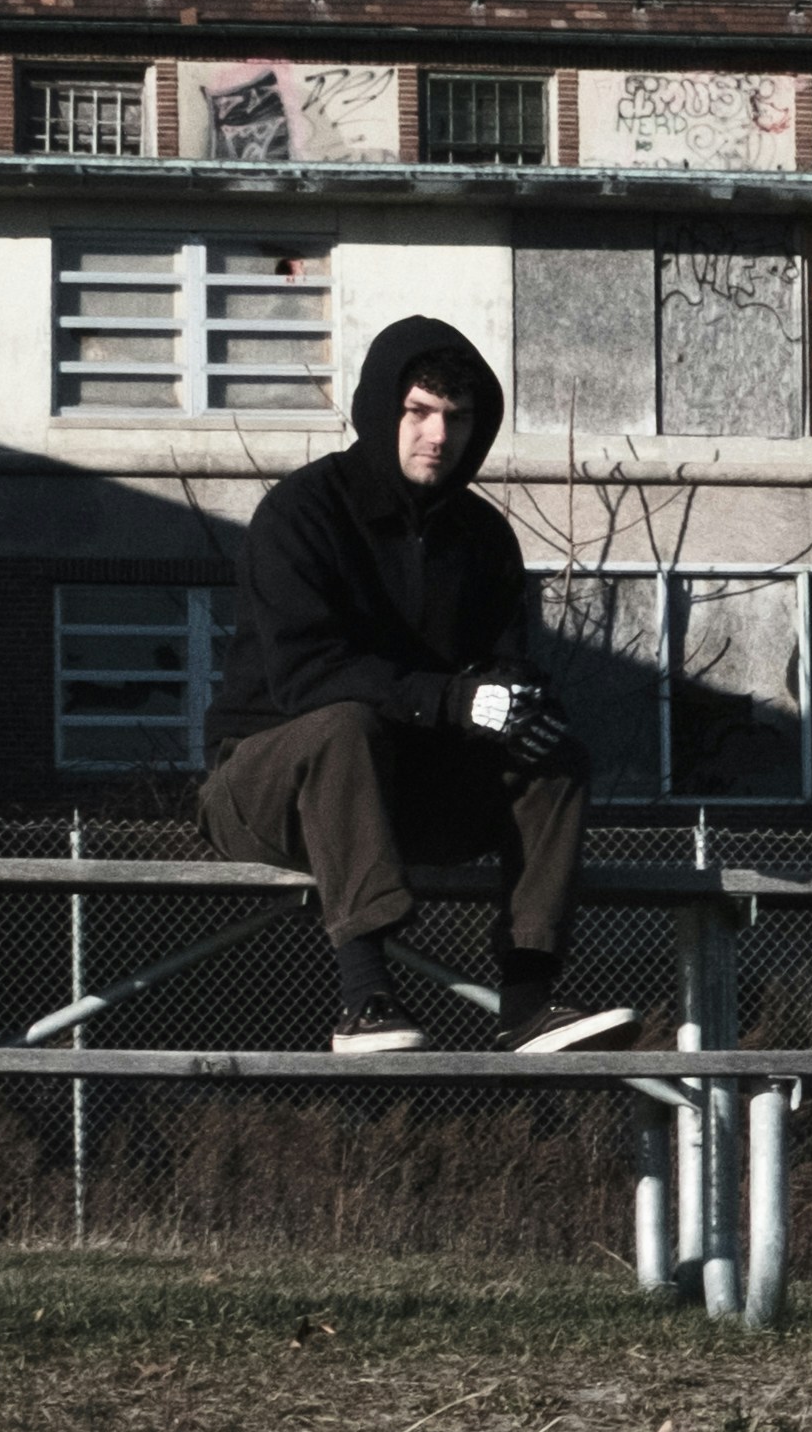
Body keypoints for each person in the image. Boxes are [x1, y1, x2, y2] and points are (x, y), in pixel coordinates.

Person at [200, 316, 639, 1053]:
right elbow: (305, 673)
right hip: (263, 787)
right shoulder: (300, 515)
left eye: (457, 417)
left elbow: (506, 662)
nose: (438, 435)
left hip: (406, 793)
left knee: (553, 754)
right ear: (382, 411)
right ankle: (364, 998)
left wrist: (515, 705)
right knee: (345, 725)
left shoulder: (483, 538)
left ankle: (528, 1003)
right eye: (419, 411)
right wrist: (449, 699)